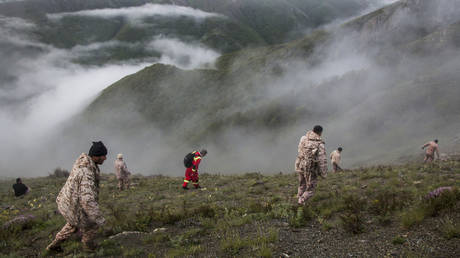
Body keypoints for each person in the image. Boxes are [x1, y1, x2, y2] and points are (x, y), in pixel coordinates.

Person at [47, 141, 107, 252]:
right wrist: (99, 219)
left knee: (72, 225)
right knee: (92, 225)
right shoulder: (86, 173)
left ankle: (54, 246)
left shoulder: (84, 163)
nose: (105, 158)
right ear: (95, 156)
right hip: (74, 205)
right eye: (103, 155)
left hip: (69, 202)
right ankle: (88, 248)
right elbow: (87, 200)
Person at [295, 125, 327, 205]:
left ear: (312, 130)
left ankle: (299, 196)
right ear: (320, 132)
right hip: (311, 168)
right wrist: (323, 173)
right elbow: (322, 160)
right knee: (310, 188)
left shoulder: (303, 138)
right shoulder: (320, 144)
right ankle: (301, 201)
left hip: (301, 165)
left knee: (302, 183)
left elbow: (299, 150)